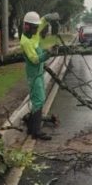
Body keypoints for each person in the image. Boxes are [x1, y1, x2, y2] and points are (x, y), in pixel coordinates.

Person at [20, 11, 59, 140]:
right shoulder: (26, 42)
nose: (37, 29)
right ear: (27, 26)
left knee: (39, 100)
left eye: (37, 27)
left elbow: (42, 20)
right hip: (33, 75)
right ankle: (36, 132)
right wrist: (48, 53)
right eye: (35, 27)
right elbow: (35, 59)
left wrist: (51, 16)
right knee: (39, 100)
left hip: (39, 73)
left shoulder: (33, 32)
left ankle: (31, 128)